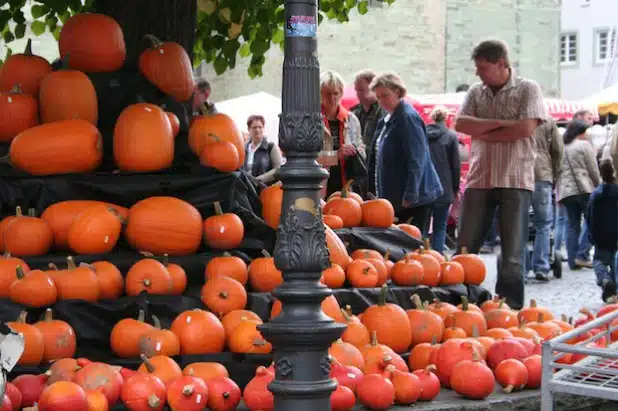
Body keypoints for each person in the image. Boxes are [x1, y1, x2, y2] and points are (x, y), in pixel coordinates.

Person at [454, 40, 546, 310]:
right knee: (465, 247)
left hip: (515, 178)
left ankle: (509, 309)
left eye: (483, 67)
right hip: (480, 178)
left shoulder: (528, 89)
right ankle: (462, 302)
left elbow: (525, 129)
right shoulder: (475, 91)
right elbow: (461, 124)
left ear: (502, 64)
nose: (477, 73)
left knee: (512, 253)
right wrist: (503, 123)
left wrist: (483, 130)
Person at [367, 71, 443, 235]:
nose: (382, 101)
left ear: (397, 91)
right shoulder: (388, 119)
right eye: (378, 97)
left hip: (412, 200)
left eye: (385, 96)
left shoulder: (407, 118)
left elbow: (417, 158)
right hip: (397, 198)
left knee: (411, 245)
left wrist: (411, 193)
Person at [557, 120, 601, 271]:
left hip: (566, 191)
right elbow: (593, 169)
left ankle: (572, 260)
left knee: (572, 225)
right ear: (581, 132)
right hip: (584, 189)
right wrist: (599, 186)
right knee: (593, 221)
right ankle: (582, 255)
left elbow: (556, 171)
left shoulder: (561, 147)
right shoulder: (584, 145)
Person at [319, 70, 365, 197]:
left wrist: (356, 151)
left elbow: (361, 149)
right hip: (320, 186)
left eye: (336, 93)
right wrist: (335, 156)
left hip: (347, 184)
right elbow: (308, 158)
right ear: (320, 93)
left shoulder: (351, 119)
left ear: (341, 94)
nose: (332, 98)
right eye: (328, 93)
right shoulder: (313, 120)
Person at [530, 117, 563, 281]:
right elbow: (558, 150)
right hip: (542, 175)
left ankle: (520, 268)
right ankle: (541, 266)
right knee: (543, 225)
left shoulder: (518, 117)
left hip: (518, 176)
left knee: (518, 225)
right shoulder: (547, 121)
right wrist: (554, 174)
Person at [426, 106, 461, 252]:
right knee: (440, 227)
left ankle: (421, 258)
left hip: (426, 188)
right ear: (446, 119)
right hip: (444, 189)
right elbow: (455, 166)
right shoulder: (451, 136)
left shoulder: (423, 133)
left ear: (432, 118)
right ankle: (437, 258)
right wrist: (455, 189)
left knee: (423, 226)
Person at [587, 159, 618, 302]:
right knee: (614, 263)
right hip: (616, 235)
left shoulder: (596, 194)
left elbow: (590, 217)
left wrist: (592, 236)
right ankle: (613, 291)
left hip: (601, 237)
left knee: (598, 261)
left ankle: (605, 280)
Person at [242, 115, 282, 184]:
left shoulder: (270, 147)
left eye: (260, 127)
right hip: (245, 190)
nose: (257, 130)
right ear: (249, 129)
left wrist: (258, 180)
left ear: (263, 128)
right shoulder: (243, 148)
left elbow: (278, 169)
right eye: (254, 127)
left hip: (265, 190)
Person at [352, 69, 386, 148]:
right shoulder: (356, 112)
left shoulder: (383, 111)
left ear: (373, 88)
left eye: (361, 90)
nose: (358, 94)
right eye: (356, 90)